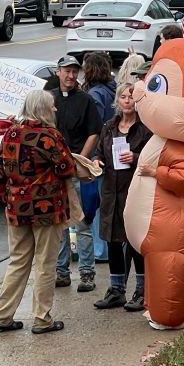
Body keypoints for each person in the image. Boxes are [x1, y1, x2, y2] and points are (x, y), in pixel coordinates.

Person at [0, 90, 75, 335]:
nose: (55, 110)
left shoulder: (11, 134)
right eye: (52, 106)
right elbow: (66, 168)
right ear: (43, 109)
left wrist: (8, 200)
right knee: (45, 265)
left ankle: (2, 316)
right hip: (47, 209)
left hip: (17, 209)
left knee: (17, 262)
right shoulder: (49, 136)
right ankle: (42, 319)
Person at [92, 84, 152, 312]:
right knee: (113, 240)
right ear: (117, 101)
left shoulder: (145, 129)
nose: (127, 101)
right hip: (110, 190)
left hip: (133, 190)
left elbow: (154, 157)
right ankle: (116, 289)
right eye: (123, 97)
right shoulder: (109, 127)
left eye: (131, 97)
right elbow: (99, 153)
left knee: (135, 241)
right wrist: (97, 161)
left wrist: (135, 157)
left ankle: (142, 289)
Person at [52, 55, 103, 293]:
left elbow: (94, 131)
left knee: (82, 222)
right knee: (60, 224)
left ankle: (86, 273)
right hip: (54, 171)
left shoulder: (85, 100)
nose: (71, 76)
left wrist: (79, 159)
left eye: (74, 71)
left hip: (77, 169)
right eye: (66, 71)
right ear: (58, 72)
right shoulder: (49, 99)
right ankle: (61, 271)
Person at [82, 52, 117, 264]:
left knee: (94, 203)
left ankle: (99, 249)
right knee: (108, 201)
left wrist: (90, 157)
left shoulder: (95, 95)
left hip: (99, 155)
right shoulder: (113, 89)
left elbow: (94, 128)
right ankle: (108, 245)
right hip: (113, 151)